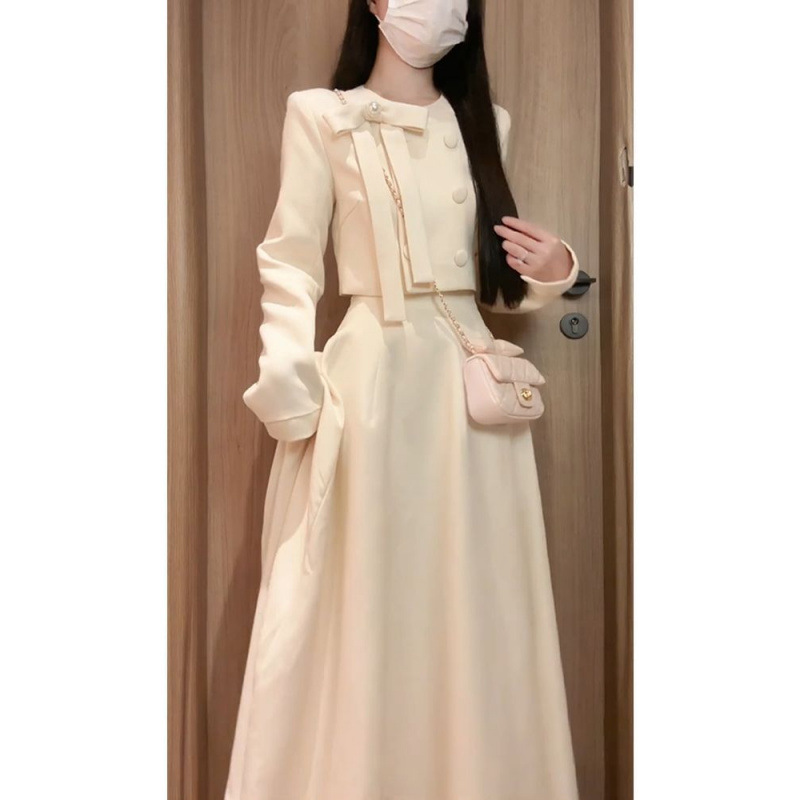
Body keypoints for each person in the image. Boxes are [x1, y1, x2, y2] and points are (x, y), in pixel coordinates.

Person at [225, 1, 582, 798]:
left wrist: (557, 269)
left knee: (474, 605)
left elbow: (486, 280)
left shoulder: (484, 122)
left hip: (466, 396)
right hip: (371, 386)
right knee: (365, 601)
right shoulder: (322, 116)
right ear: (376, 4)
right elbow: (290, 260)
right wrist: (287, 378)